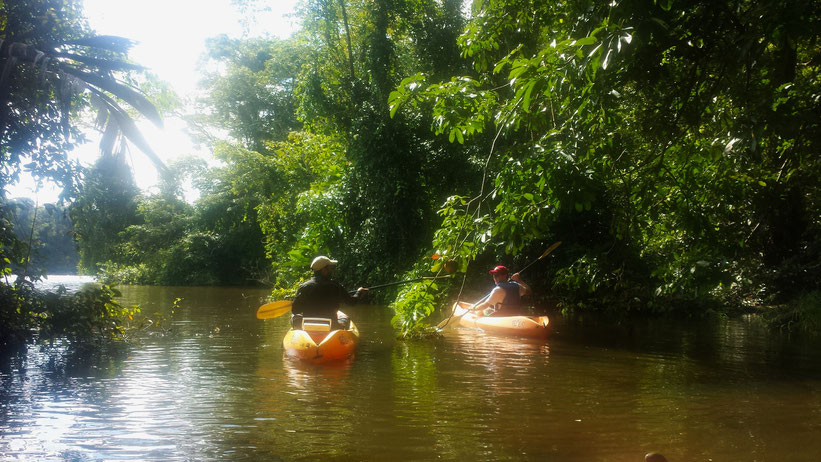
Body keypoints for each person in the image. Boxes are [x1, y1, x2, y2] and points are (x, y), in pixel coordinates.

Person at [290, 256, 367, 330]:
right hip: (332, 325)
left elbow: (295, 310)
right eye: (331, 268)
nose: (332, 270)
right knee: (345, 318)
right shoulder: (336, 286)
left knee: (293, 316)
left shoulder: (303, 287)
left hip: (308, 324)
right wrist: (359, 292)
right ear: (324, 269)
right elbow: (351, 302)